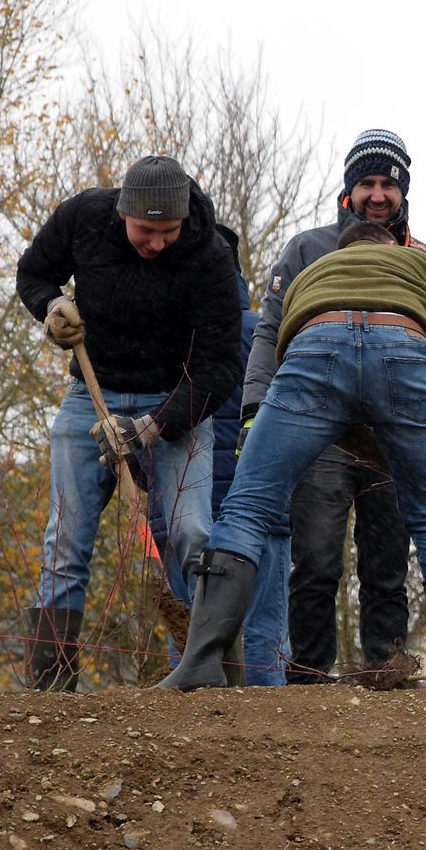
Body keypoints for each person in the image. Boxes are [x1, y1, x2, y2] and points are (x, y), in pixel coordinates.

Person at [158, 222, 426, 691]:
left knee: (247, 507)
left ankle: (202, 659)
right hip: (404, 345)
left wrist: (263, 416)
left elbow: (288, 354)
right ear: (390, 248)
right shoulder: (422, 265)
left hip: (314, 347)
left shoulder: (313, 270)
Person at [241, 129, 426, 685]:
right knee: (318, 561)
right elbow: (268, 332)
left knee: (387, 568)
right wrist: (255, 407)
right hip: (317, 435)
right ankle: (307, 675)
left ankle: (387, 673)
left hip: (392, 437)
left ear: (404, 194)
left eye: (388, 185)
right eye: (367, 184)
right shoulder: (306, 248)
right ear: (348, 192)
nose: (378, 194)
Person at [16, 154, 244, 691]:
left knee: (192, 531)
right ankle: (52, 688)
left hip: (176, 399)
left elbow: (220, 368)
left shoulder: (209, 257)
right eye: (146, 230)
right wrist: (50, 306)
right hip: (90, 395)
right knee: (65, 540)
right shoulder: (84, 218)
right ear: (123, 213)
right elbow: (34, 272)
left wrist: (152, 427)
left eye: (168, 231)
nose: (157, 242)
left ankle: (217, 678)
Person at [137, 231, 291, 686]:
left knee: (189, 649)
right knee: (264, 643)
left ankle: (192, 744)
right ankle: (273, 747)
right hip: (263, 516)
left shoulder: (161, 338)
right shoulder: (268, 334)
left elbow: (139, 422)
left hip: (182, 513)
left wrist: (147, 484)